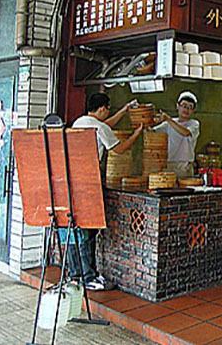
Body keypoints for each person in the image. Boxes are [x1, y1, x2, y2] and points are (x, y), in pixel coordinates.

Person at [66, 92, 143, 291]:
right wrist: (137, 133)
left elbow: (105, 124)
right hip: (89, 182)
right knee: (88, 230)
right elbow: (120, 148)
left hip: (72, 182)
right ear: (102, 108)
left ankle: (76, 274)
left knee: (74, 228)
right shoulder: (99, 127)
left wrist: (124, 111)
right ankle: (89, 277)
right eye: (107, 108)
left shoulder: (80, 122)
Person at [153, 91, 200, 177]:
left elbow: (185, 132)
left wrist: (168, 119)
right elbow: (152, 132)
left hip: (184, 166)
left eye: (190, 107)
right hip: (169, 164)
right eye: (184, 106)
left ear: (193, 110)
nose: (186, 110)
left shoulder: (194, 124)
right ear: (177, 106)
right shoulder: (169, 123)